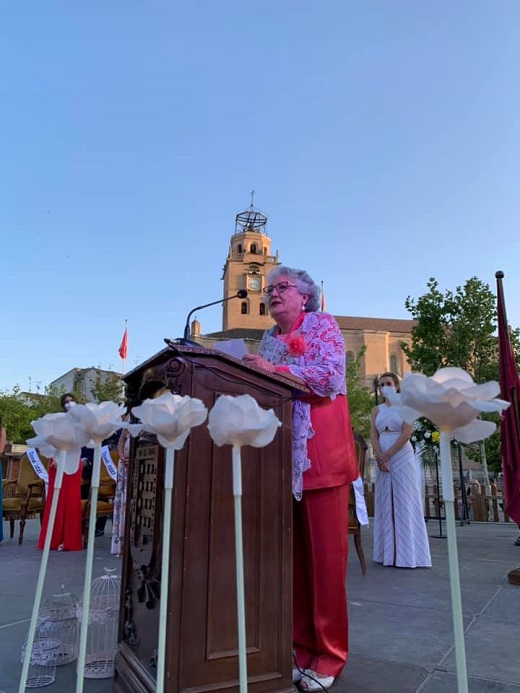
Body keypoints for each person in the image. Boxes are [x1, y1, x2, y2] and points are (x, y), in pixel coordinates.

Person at [243, 266, 358, 692]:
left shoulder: (323, 324)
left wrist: (272, 372)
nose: (273, 293)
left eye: (282, 287)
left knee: (325, 564)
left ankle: (329, 656)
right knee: (291, 564)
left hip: (320, 454)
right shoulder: (269, 339)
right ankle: (299, 648)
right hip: (279, 455)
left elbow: (328, 378)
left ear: (304, 297)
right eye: (269, 289)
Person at [371, 372, 431, 568]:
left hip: (401, 454)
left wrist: (387, 455)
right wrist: (379, 455)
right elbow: (373, 434)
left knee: (403, 500)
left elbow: (406, 433)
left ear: (396, 385)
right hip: (381, 456)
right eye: (382, 385)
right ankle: (386, 553)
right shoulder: (376, 410)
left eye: (388, 383)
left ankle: (407, 554)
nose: (385, 387)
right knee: (385, 501)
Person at [37, 393, 83, 551]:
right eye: (66, 402)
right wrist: (55, 458)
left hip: (73, 462)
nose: (69, 404)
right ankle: (53, 539)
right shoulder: (57, 419)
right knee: (56, 500)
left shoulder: (81, 421)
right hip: (57, 461)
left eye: (72, 401)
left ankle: (70, 540)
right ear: (62, 405)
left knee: (71, 501)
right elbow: (50, 440)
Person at [111, 419, 130, 556]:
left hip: (141, 460)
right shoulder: (130, 415)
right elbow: (122, 440)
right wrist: (121, 454)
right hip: (124, 463)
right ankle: (120, 544)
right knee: (122, 502)